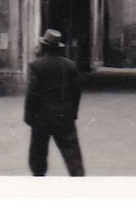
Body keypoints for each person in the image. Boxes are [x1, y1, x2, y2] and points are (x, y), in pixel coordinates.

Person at [23, 29, 83, 177]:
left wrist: (29, 116)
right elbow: (76, 93)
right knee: (72, 152)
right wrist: (73, 113)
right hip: (64, 116)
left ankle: (39, 177)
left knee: (38, 151)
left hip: (42, 117)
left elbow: (32, 94)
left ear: (44, 47)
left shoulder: (36, 65)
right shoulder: (70, 65)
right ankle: (78, 178)